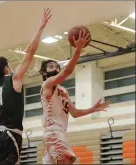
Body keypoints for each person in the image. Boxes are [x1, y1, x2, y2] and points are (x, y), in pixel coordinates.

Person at [0, 8, 52, 165]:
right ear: (6, 69)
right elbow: (31, 53)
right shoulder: (14, 79)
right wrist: (40, 27)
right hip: (10, 136)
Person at [39, 30, 110, 164]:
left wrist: (92, 109)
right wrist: (78, 49)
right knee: (68, 159)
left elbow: (75, 113)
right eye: (50, 66)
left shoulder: (63, 90)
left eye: (56, 66)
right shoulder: (47, 84)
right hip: (53, 130)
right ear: (43, 72)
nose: (54, 67)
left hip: (60, 132)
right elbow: (67, 72)